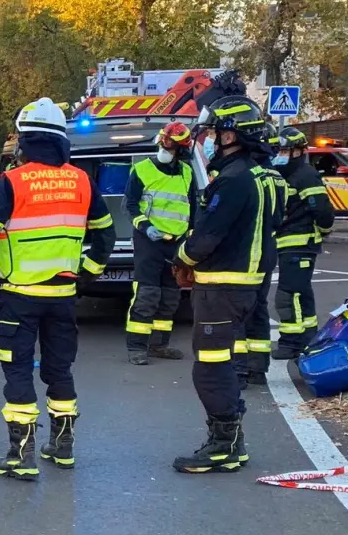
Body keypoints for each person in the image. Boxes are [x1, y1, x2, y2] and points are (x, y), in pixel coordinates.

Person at [0, 98, 116, 481]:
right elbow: (106, 234)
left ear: (26, 140)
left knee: (18, 370)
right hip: (63, 296)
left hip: (19, 296)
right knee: (60, 369)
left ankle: (20, 455)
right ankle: (62, 447)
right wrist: (86, 275)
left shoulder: (13, 181)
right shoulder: (81, 180)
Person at [172, 96, 268, 474]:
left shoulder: (233, 181)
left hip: (221, 288)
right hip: (240, 287)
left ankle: (223, 445)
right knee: (221, 365)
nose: (210, 140)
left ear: (231, 136)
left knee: (210, 370)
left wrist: (181, 259)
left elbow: (207, 237)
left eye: (214, 134)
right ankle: (232, 443)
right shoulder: (256, 176)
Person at [124, 122, 195, 365]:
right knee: (147, 294)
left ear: (181, 150)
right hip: (149, 242)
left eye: (170, 144)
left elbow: (192, 209)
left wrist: (190, 237)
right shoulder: (142, 169)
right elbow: (130, 205)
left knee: (170, 297)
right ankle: (136, 347)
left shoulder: (187, 172)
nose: (164, 147)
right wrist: (145, 227)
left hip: (176, 244)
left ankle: (159, 345)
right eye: (163, 142)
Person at [272, 127, 336, 359]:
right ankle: (309, 338)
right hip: (288, 243)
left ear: (298, 151)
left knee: (288, 295)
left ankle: (291, 343)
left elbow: (322, 210)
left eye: (285, 151)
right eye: (279, 150)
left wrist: (324, 230)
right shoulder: (283, 174)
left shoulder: (305, 175)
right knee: (302, 294)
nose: (281, 155)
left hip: (300, 243)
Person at [236, 124, 287, 388]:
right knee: (258, 308)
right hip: (267, 250)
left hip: (245, 251)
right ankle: (257, 368)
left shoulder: (247, 175)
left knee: (237, 310)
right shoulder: (277, 177)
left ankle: (239, 370)